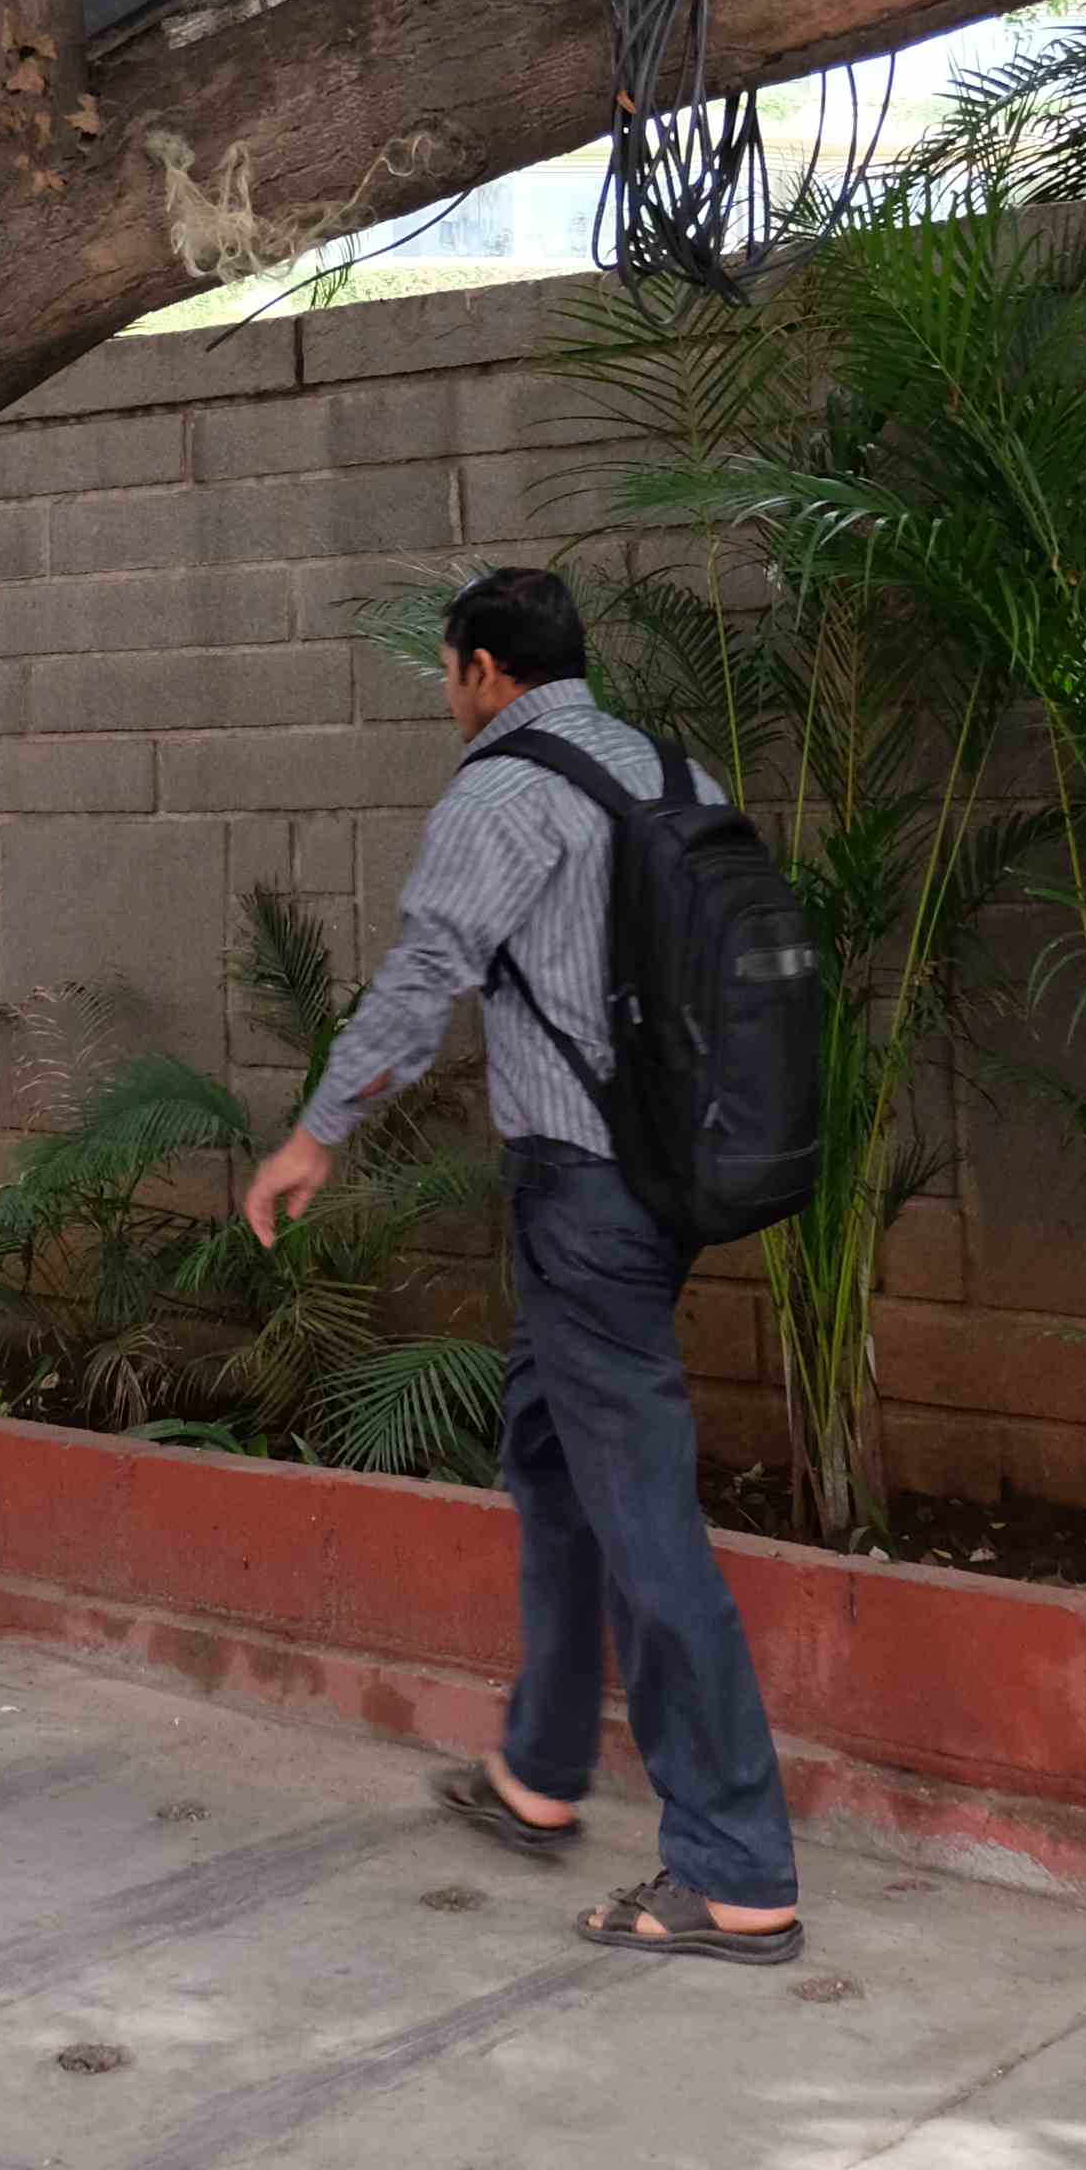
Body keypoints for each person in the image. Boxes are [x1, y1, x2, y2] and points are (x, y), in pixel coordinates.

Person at [240, 564, 802, 1965]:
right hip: (667, 1178)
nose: (449, 697)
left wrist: (314, 1136)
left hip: (585, 1196)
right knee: (551, 1461)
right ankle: (539, 1775)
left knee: (642, 1514)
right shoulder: (667, 768)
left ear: (484, 670)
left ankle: (736, 1868)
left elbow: (424, 977)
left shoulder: (504, 791)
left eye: (447, 674)